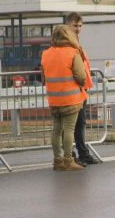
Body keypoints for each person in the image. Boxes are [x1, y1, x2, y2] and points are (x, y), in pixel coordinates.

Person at [40, 24, 87, 171]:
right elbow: (81, 77)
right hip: (70, 98)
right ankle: (68, 160)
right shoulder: (73, 53)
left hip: (54, 99)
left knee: (56, 129)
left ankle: (57, 160)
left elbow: (43, 78)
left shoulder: (46, 53)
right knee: (69, 129)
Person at [65, 12, 100, 166]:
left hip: (81, 88)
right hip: (73, 89)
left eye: (80, 26)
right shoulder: (66, 42)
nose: (78, 28)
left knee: (80, 123)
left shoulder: (75, 41)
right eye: (75, 25)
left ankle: (82, 153)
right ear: (68, 25)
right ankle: (71, 155)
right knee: (71, 125)